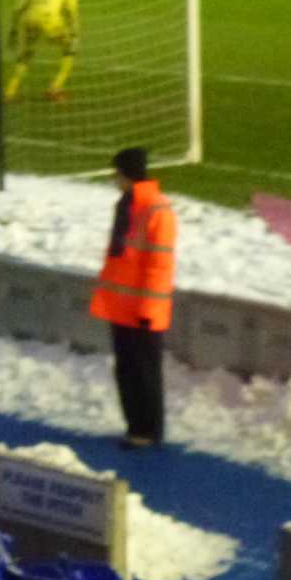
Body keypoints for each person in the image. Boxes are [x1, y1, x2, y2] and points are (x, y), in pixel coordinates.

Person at [90, 147, 176, 450]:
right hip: (122, 308)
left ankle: (148, 430)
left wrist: (148, 309)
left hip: (141, 310)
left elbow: (159, 265)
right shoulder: (128, 206)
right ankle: (134, 427)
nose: (114, 179)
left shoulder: (155, 210)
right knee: (127, 370)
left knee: (144, 372)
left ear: (126, 175)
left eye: (117, 173)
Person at [4, 0, 79, 103]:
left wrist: (14, 29)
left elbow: (17, 8)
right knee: (70, 48)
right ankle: (55, 88)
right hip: (48, 20)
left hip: (27, 19)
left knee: (25, 56)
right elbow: (71, 12)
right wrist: (74, 32)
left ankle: (10, 92)